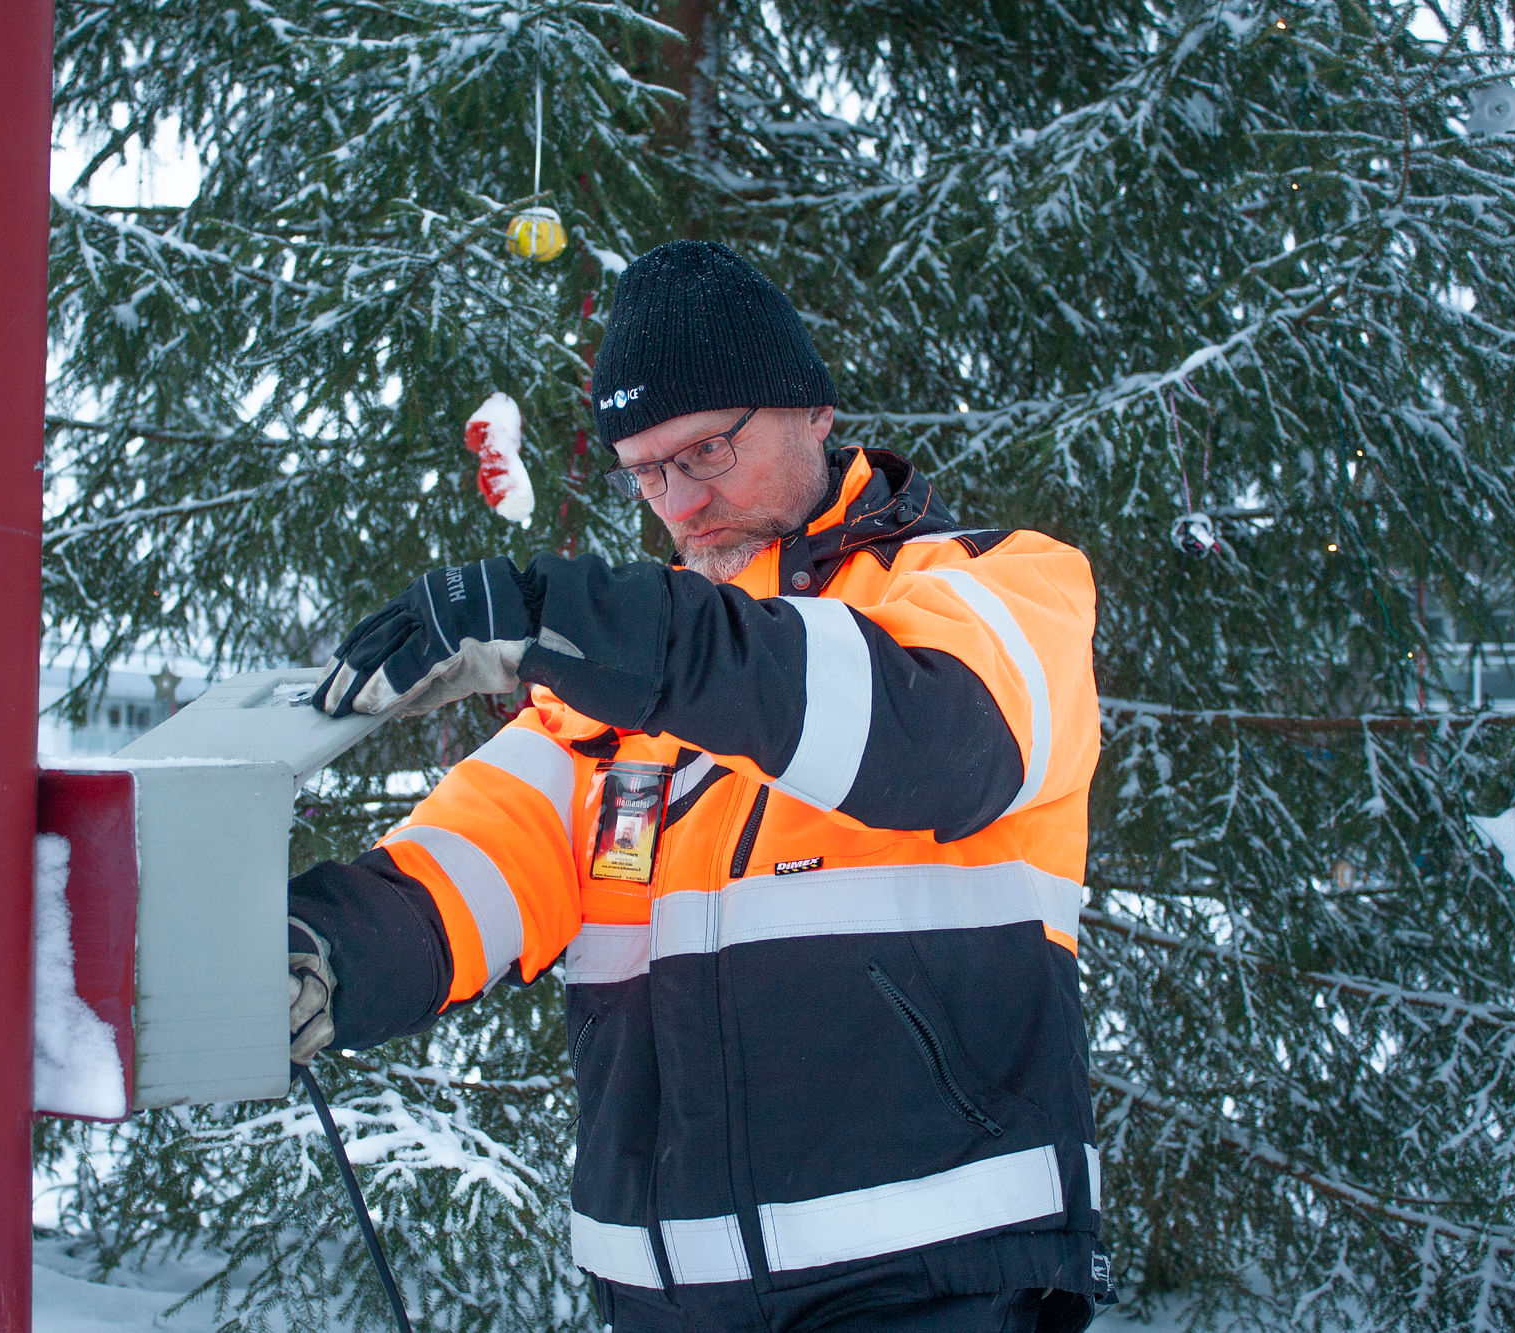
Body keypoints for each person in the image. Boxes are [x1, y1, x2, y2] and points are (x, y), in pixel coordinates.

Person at [288, 240, 1110, 1332]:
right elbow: (477, 864)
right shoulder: (615, 689)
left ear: (811, 410)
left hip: (934, 1274)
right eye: (644, 472)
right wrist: (317, 954)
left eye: (707, 451)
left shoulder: (991, 585)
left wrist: (572, 620)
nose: (680, 500)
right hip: (669, 1295)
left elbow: (927, 737)